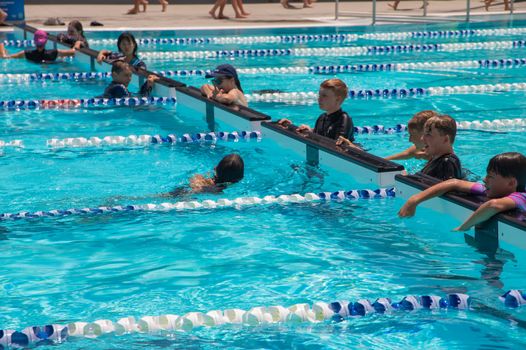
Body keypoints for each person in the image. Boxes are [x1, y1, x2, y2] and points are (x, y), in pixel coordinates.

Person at [399, 152, 526, 231]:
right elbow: (454, 183)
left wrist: (463, 227)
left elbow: (493, 205)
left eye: (490, 176)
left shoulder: (521, 197)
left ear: (511, 183)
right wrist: (414, 200)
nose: (484, 179)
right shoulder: (493, 190)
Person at [279, 79, 359, 148]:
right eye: (319, 95)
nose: (319, 99)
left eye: (324, 96)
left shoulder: (344, 119)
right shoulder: (322, 117)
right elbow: (319, 139)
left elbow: (340, 147)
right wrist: (292, 128)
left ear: (337, 99)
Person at [168, 154, 245, 196]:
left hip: (187, 190)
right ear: (240, 177)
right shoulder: (218, 192)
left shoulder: (203, 178)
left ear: (215, 168)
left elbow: (193, 179)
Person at [416, 115, 463, 181]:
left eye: (428, 134)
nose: (422, 139)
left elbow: (448, 189)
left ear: (445, 139)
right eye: (423, 134)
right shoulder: (435, 158)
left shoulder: (448, 162)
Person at [0, 30, 75, 62]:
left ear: (35, 42)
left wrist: (2, 46)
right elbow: (73, 52)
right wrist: (77, 42)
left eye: (39, 44)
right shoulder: (54, 53)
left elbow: (6, 57)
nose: (39, 46)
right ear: (45, 42)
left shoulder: (27, 54)